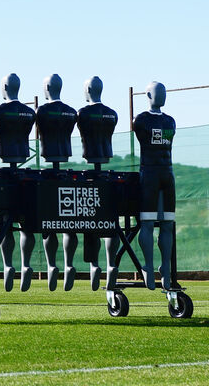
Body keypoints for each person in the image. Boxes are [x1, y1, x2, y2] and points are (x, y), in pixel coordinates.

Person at [0, 73, 37, 291]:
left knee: (5, 223)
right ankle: (26, 264)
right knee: (26, 222)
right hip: (22, 168)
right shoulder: (29, 113)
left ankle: (8, 264)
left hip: (7, 170)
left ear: (4, 88)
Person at [35, 74, 78, 291]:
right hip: (64, 170)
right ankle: (69, 264)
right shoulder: (71, 112)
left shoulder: (41, 112)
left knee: (48, 225)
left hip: (49, 171)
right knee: (68, 222)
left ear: (47, 88)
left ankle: (52, 264)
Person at [77, 76, 119, 291]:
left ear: (88, 90)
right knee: (110, 222)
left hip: (92, 168)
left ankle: (94, 264)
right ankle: (111, 264)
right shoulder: (113, 114)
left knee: (89, 220)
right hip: (105, 168)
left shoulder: (82, 114)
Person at [133, 81, 176, 290]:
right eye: (159, 92)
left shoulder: (170, 121)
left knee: (167, 224)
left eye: (164, 92)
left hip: (164, 175)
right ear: (148, 94)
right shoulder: (140, 120)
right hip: (151, 174)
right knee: (148, 224)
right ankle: (149, 266)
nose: (162, 95)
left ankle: (164, 267)